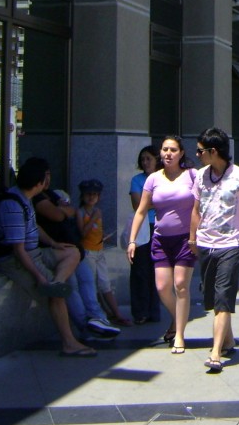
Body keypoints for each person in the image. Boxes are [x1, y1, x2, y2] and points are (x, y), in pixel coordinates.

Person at [0, 157, 97, 357]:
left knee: (72, 251)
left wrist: (53, 244)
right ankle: (69, 343)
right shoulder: (12, 206)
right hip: (15, 260)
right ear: (39, 184)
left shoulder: (24, 198)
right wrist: (40, 278)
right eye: (45, 179)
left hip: (35, 252)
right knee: (56, 295)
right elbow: (18, 250)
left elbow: (34, 227)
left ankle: (57, 282)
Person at [188, 127, 239, 373]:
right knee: (212, 298)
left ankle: (216, 353)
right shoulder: (200, 176)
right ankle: (228, 341)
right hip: (206, 244)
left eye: (200, 151)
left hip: (230, 245)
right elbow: (196, 210)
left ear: (213, 151)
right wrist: (192, 239)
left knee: (223, 298)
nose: (197, 155)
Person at [27, 158, 121, 339]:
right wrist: (62, 210)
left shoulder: (52, 195)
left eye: (49, 175)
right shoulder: (37, 198)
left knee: (88, 283)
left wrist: (62, 210)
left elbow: (69, 211)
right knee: (72, 288)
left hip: (76, 249)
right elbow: (57, 215)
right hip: (59, 251)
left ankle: (98, 319)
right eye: (43, 175)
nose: (47, 179)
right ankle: (85, 328)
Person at [127, 135, 197, 354]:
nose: (168, 153)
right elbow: (140, 210)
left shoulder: (192, 176)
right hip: (160, 239)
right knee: (162, 287)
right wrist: (132, 240)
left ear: (181, 153)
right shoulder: (153, 179)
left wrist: (197, 236)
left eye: (173, 150)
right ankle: (177, 320)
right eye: (165, 150)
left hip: (186, 239)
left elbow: (200, 207)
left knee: (180, 285)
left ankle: (180, 335)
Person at [76, 178, 131, 326]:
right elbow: (82, 233)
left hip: (99, 251)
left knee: (105, 283)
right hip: (87, 253)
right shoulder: (81, 212)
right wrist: (94, 218)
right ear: (82, 196)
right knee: (91, 285)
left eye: (95, 194)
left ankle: (116, 313)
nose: (91, 197)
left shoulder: (97, 211)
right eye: (88, 194)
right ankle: (98, 314)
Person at [127, 146, 162, 325]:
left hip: (161, 226)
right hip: (142, 228)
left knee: (158, 270)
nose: (145, 162)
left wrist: (149, 201)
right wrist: (158, 200)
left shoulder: (164, 178)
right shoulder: (137, 180)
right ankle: (140, 311)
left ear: (157, 160)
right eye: (143, 159)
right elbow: (136, 204)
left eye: (149, 159)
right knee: (140, 270)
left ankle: (154, 311)